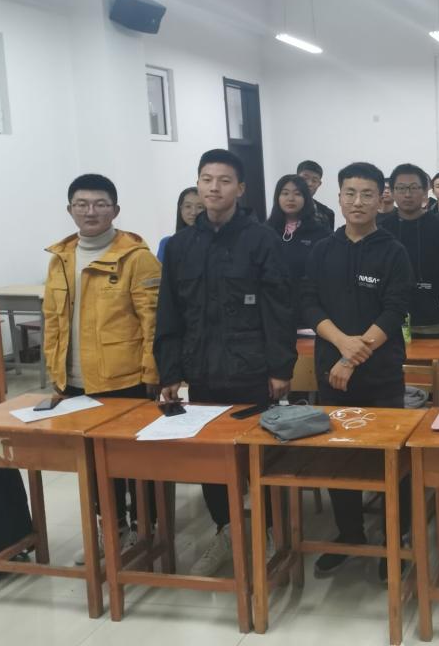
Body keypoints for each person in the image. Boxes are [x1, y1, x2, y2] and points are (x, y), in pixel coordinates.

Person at [155, 149, 295, 576]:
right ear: (198, 184)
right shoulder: (180, 245)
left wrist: (280, 369)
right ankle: (226, 530)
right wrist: (170, 372)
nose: (214, 188)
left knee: (257, 460)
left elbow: (279, 309)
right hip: (200, 372)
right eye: (206, 179)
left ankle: (266, 532)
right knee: (211, 461)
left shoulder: (261, 240)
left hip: (251, 370)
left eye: (224, 180)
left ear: (241, 188)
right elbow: (169, 313)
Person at [302, 162, 414, 576]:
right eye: (350, 193)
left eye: (367, 194)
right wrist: (342, 345)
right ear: (338, 197)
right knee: (340, 458)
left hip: (381, 374)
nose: (358, 201)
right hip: (332, 373)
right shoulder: (322, 250)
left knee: (391, 459)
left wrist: (352, 356)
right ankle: (349, 533)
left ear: (380, 198)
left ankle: (395, 537)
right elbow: (308, 303)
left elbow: (394, 311)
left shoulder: (393, 251)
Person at [44, 174, 161, 564]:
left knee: (131, 463)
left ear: (115, 209)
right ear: (70, 210)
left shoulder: (136, 257)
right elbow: (53, 320)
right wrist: (55, 372)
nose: (90, 211)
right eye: (81, 204)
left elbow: (152, 321)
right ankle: (109, 528)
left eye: (99, 204)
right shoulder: (60, 258)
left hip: (124, 379)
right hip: (75, 381)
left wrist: (152, 373)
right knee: (92, 465)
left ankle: (143, 529)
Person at [380, 164, 439, 337]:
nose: (407, 194)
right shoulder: (382, 231)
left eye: (414, 188)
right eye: (401, 188)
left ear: (425, 191)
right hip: (388, 322)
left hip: (433, 322)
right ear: (392, 192)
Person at [266, 175, 331, 328]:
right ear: (277, 197)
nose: (291, 198)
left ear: (306, 198)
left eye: (297, 194)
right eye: (285, 193)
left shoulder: (320, 233)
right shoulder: (265, 232)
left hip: (307, 310)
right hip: (272, 308)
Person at [157, 187, 204, 262]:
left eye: (200, 207)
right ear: (181, 209)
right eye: (188, 206)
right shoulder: (167, 243)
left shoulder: (216, 243)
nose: (193, 212)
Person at [297, 160, 336, 230]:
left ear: (319, 184)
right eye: (305, 178)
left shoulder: (327, 214)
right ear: (296, 178)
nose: (309, 184)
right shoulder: (284, 208)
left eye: (314, 181)